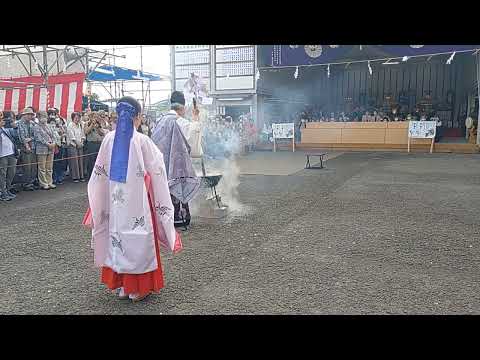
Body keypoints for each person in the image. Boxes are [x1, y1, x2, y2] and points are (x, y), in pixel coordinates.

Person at [82, 96, 182, 302]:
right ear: (136, 116)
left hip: (114, 202)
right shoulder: (142, 140)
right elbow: (157, 170)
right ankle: (138, 287)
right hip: (137, 201)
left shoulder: (108, 139)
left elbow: (98, 173)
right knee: (139, 238)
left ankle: (123, 286)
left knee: (117, 236)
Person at [151, 91, 201, 228]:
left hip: (160, 163)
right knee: (178, 186)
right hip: (176, 164)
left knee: (164, 190)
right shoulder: (179, 121)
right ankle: (179, 217)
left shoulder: (160, 121)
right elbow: (193, 144)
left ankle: (165, 216)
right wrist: (196, 118)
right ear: (183, 107)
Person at [34, 111, 56, 190]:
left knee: (49, 167)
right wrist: (48, 144)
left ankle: (50, 182)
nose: (44, 118)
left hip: (51, 148)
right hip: (41, 148)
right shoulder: (36, 127)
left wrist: (53, 143)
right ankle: (43, 183)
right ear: (38, 117)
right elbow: (38, 138)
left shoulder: (49, 126)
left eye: (45, 116)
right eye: (42, 116)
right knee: (42, 167)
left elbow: (53, 135)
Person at [17, 107, 37, 191]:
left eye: (31, 114)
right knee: (27, 166)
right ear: (24, 115)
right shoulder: (19, 123)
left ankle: (31, 182)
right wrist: (27, 143)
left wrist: (30, 139)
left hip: (32, 147)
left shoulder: (32, 123)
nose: (30, 116)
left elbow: (35, 135)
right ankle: (26, 184)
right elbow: (22, 138)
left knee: (33, 166)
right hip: (24, 148)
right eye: (28, 114)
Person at [0, 112, 19, 201]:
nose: (3, 121)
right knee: (2, 175)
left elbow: (15, 135)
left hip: (11, 153)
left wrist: (15, 127)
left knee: (11, 173)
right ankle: (3, 192)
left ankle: (7, 190)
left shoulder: (6, 129)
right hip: (2, 156)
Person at [84, 112, 108, 179]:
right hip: (91, 143)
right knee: (91, 160)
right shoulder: (87, 123)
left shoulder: (99, 124)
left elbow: (102, 133)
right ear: (90, 117)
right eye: (94, 117)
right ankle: (91, 175)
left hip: (99, 143)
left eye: (96, 117)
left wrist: (98, 128)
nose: (95, 118)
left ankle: (98, 174)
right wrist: (92, 125)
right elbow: (86, 132)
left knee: (98, 160)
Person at [67, 112, 86, 183]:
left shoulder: (80, 125)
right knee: (74, 161)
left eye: (79, 118)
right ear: (73, 118)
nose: (77, 119)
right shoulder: (70, 125)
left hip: (80, 145)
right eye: (76, 118)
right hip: (73, 145)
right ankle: (75, 177)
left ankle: (81, 176)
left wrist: (82, 142)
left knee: (80, 160)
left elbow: (83, 134)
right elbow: (71, 136)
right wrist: (77, 143)